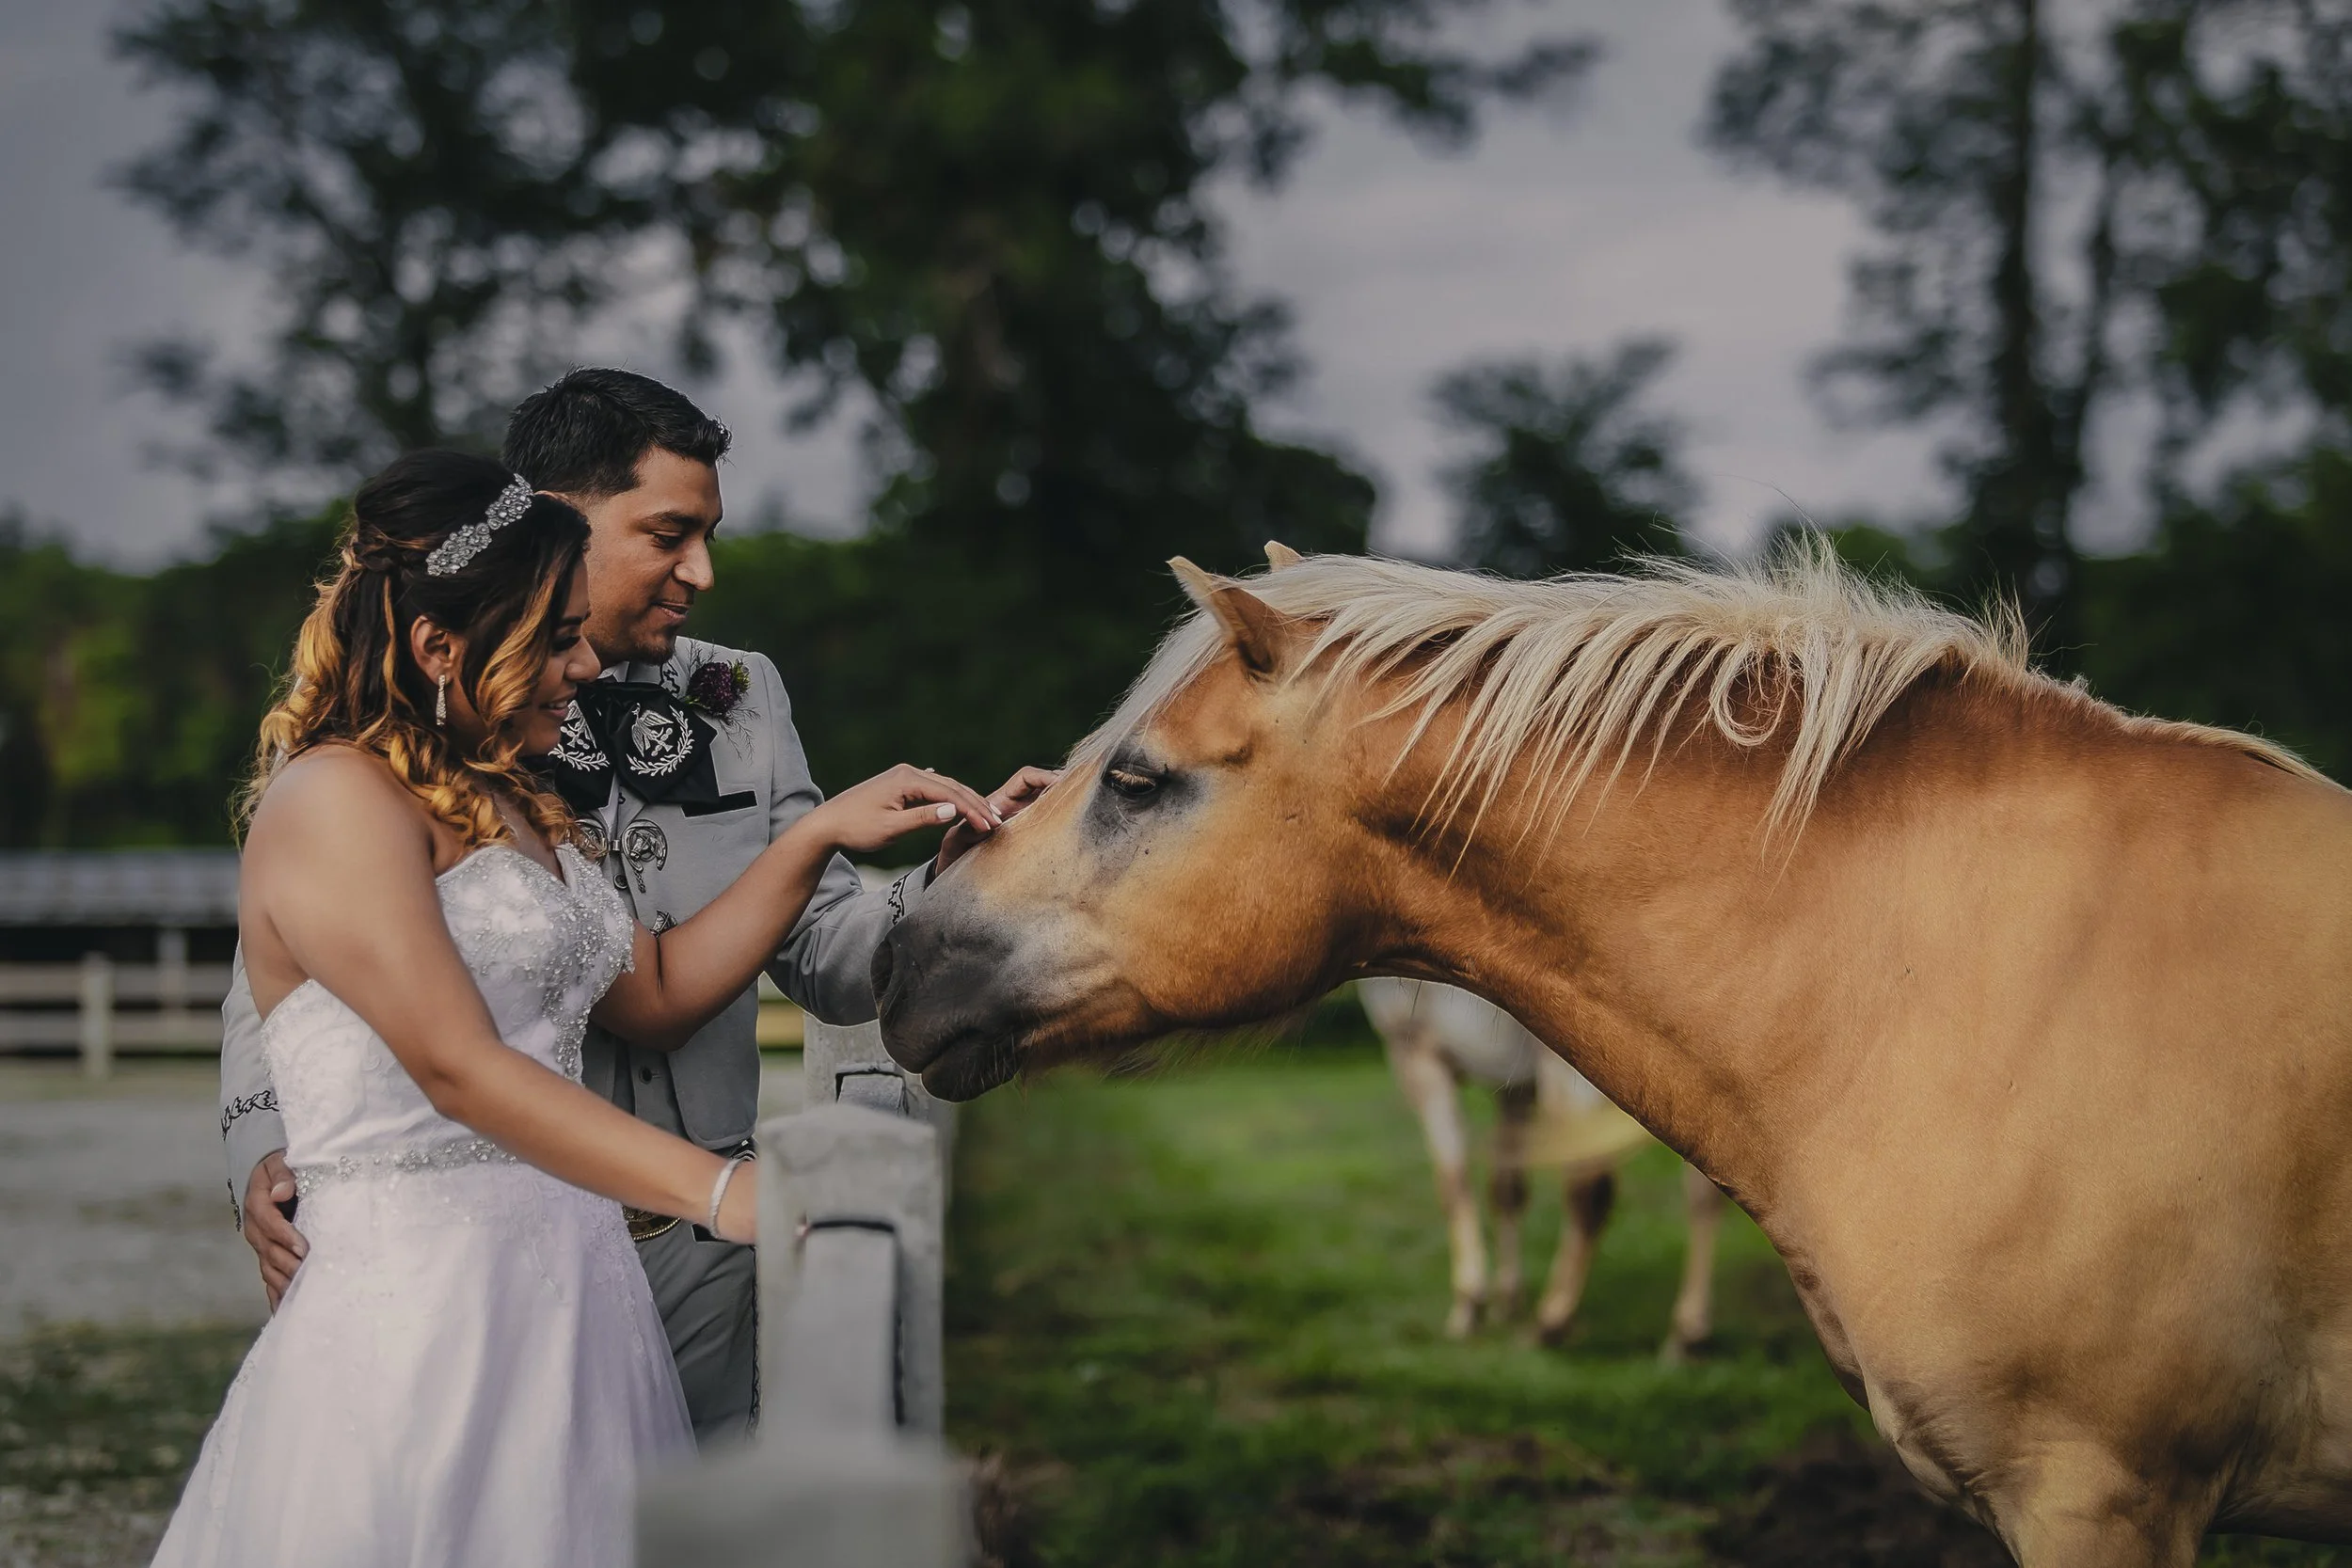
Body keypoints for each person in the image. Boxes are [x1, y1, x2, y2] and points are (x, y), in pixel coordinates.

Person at [157, 451, 998, 1568]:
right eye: (555, 635)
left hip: (574, 1298)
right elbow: (458, 1064)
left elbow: (650, 993)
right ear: (438, 647)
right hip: (424, 1313)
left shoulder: (508, 796)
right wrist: (724, 1189)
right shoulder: (334, 800)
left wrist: (813, 835)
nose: (584, 660)